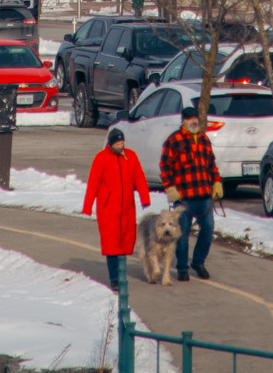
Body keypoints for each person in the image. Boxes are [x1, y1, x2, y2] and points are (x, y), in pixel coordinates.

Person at [82, 125, 150, 289]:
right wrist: (87, 206)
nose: (121, 146)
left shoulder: (131, 156)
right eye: (118, 144)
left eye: (122, 143)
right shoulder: (101, 158)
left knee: (125, 243)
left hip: (127, 207)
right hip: (108, 210)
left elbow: (139, 177)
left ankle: (121, 275)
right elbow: (93, 183)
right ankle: (115, 279)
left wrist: (144, 197)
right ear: (111, 144)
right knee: (112, 245)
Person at [159, 107, 223, 282]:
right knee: (182, 234)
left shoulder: (204, 139)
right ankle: (181, 267)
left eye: (196, 118)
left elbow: (212, 164)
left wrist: (216, 182)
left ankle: (198, 262)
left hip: (204, 195)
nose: (194, 121)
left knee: (208, 229)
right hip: (184, 197)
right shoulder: (173, 140)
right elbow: (165, 167)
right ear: (183, 121)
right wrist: (170, 188)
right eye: (190, 119)